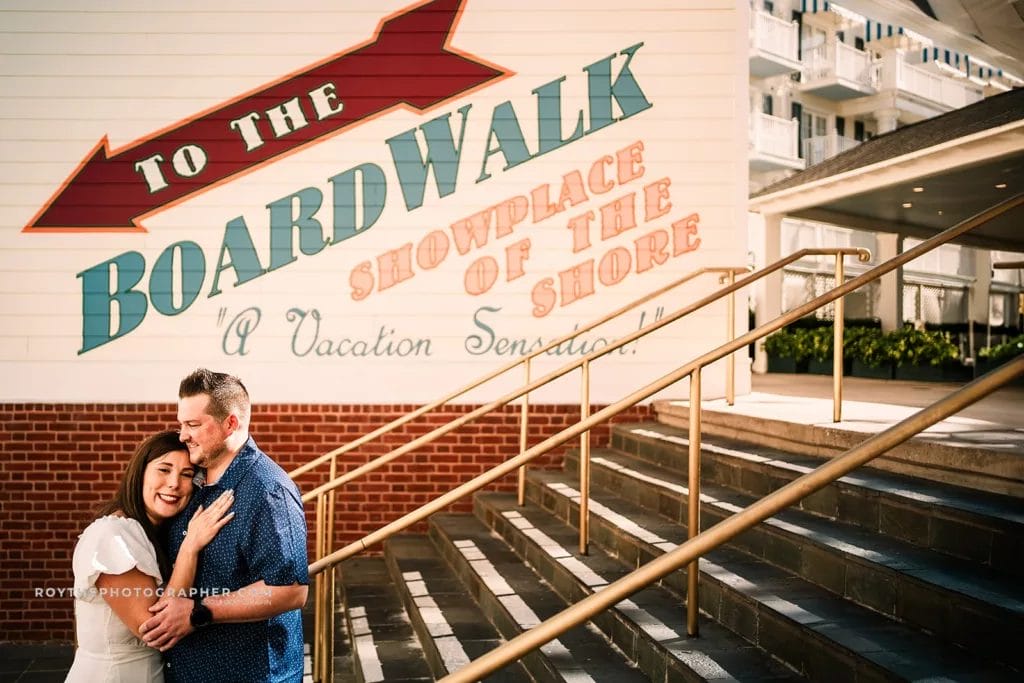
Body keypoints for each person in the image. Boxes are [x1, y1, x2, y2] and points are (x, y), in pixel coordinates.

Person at [140, 368, 310, 683]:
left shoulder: (268, 491)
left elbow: (290, 591)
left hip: (252, 674)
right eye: (181, 424)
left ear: (230, 423)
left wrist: (198, 612)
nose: (182, 435)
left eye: (193, 425)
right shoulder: (191, 480)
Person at [66, 430, 235, 682]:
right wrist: (191, 547)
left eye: (186, 474)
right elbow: (158, 629)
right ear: (140, 473)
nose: (174, 484)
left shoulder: (150, 533)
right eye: (164, 470)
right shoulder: (111, 536)